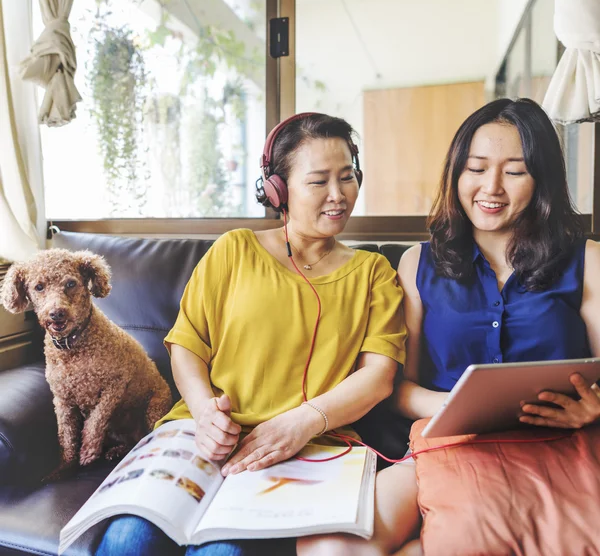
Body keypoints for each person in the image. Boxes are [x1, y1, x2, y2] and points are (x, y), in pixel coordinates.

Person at [297, 98, 600, 556]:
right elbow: (399, 389)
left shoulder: (589, 260)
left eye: (515, 171)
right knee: (328, 546)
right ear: (456, 173)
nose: (491, 187)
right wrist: (460, 406)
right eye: (475, 168)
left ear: (543, 180)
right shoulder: (418, 264)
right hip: (450, 442)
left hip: (560, 445)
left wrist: (594, 410)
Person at [95, 112, 407, 556]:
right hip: (201, 435)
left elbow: (378, 377)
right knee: (127, 540)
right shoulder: (234, 249)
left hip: (308, 445)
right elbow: (187, 344)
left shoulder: (374, 273)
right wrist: (204, 412)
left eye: (347, 177)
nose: (338, 196)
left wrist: (301, 422)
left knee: (223, 553)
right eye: (318, 182)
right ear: (278, 190)